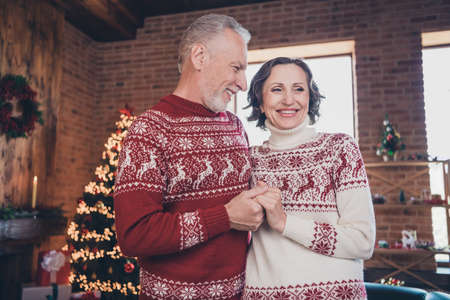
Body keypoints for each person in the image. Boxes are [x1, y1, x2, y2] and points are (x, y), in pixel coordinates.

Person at [114, 14, 268, 300]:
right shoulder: (149, 130)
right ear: (199, 56)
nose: (243, 83)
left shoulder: (235, 126)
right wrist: (225, 217)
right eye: (236, 68)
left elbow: (245, 210)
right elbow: (134, 235)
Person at [242, 57, 376, 299]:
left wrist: (284, 223)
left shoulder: (339, 149)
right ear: (260, 102)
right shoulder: (248, 160)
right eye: (276, 89)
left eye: (298, 89)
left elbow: (362, 242)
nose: (288, 99)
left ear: (310, 98)